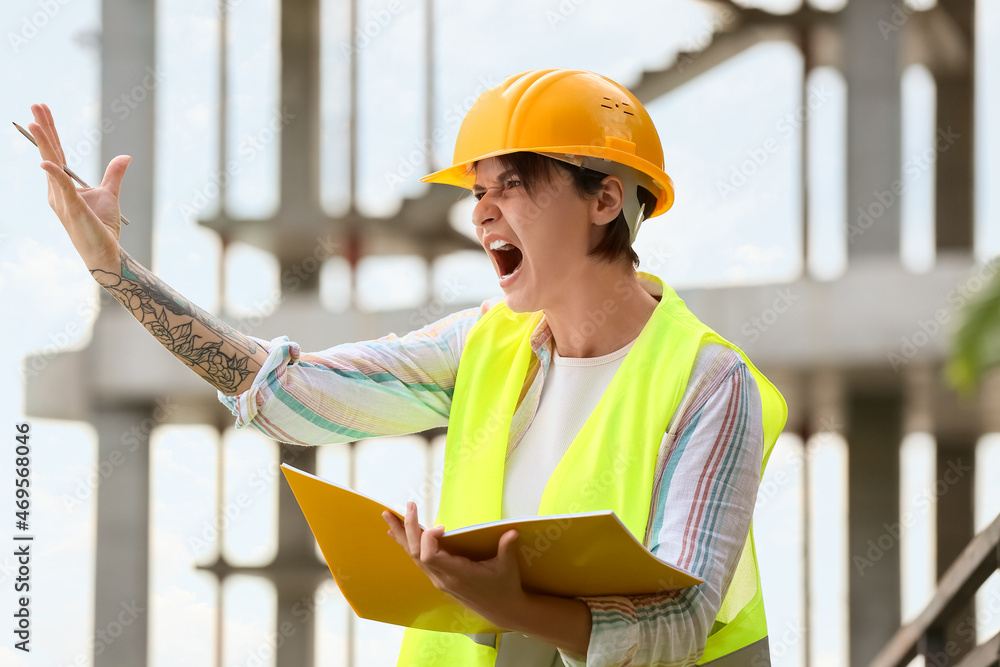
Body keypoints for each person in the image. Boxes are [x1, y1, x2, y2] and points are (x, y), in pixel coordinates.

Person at [29, 67, 787, 667]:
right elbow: (286, 391)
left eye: (511, 184)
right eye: (478, 191)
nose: (481, 212)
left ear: (605, 199)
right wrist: (117, 273)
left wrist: (508, 603)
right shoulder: (483, 347)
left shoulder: (708, 380)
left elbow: (683, 621)